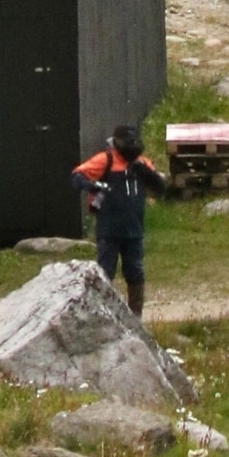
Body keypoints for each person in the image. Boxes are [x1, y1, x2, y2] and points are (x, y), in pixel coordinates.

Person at [73, 123, 169, 319]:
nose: (132, 146)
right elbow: (77, 177)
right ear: (117, 143)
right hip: (109, 230)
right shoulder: (105, 160)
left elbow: (161, 188)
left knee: (135, 272)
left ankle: (136, 317)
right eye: (128, 142)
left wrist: (148, 174)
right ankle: (100, 315)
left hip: (134, 230)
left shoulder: (142, 163)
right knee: (105, 272)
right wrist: (93, 185)